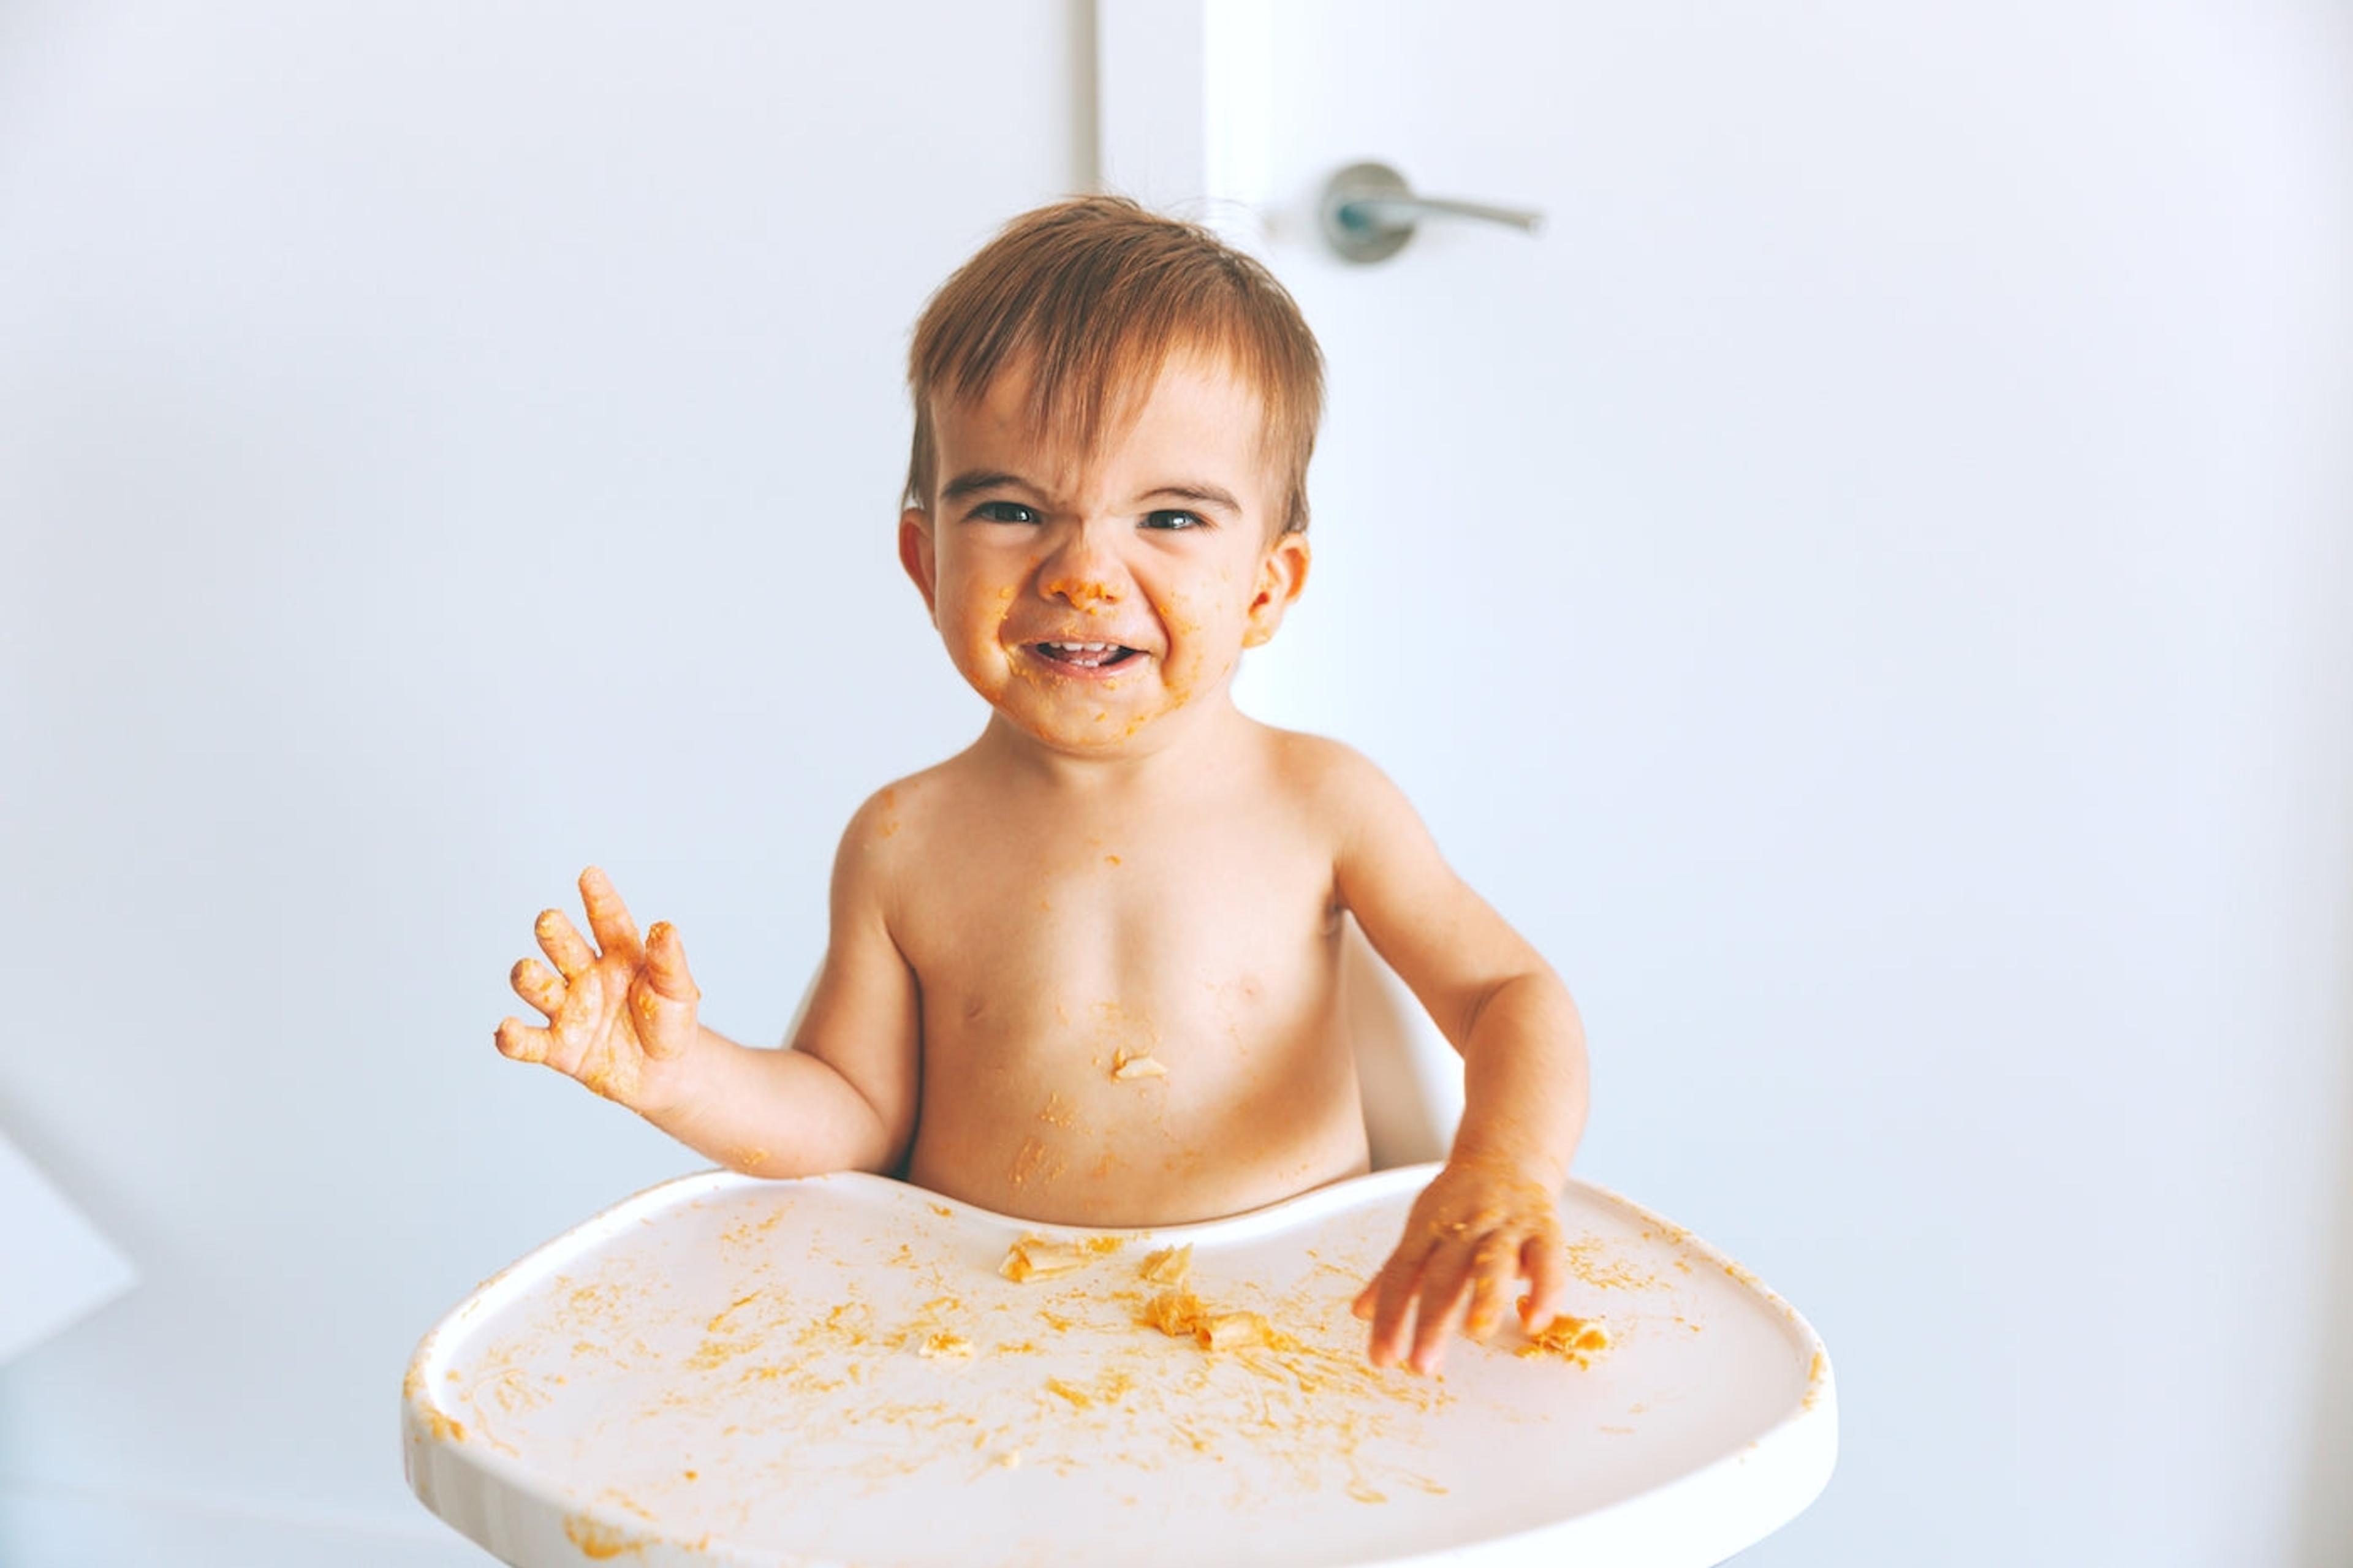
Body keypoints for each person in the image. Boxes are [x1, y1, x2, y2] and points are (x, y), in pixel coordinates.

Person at [494, 196, 1588, 1376]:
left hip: (1286, 1337)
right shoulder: (906, 840)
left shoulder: (1324, 806)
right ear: (927, 561)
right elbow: (850, 1119)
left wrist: (1502, 1169)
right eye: (1014, 511)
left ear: (1268, 589)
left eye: (1169, 517)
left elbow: (1511, 998)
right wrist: (681, 1073)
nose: (1082, 575)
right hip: (981, 1349)